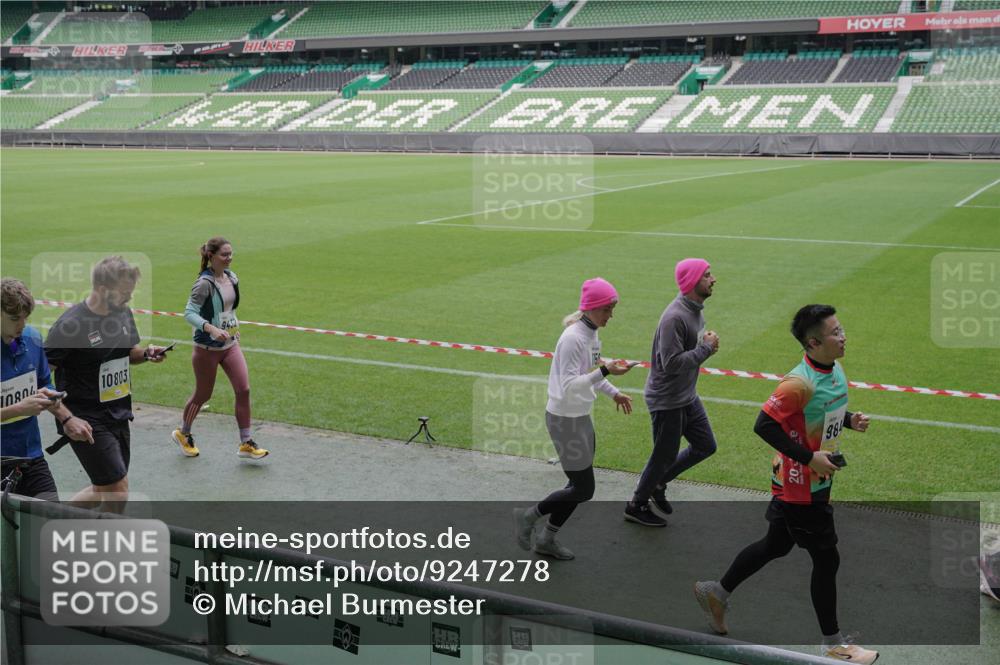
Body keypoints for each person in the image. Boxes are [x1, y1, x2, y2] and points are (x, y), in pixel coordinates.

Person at [694, 304, 879, 665]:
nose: (843, 336)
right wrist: (809, 458)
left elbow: (821, 413)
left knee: (776, 544)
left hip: (815, 477)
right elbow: (764, 424)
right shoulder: (798, 383)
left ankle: (715, 593)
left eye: (841, 329)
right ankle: (834, 645)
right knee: (827, 558)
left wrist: (848, 422)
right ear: (813, 342)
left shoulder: (834, 369)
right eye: (835, 332)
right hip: (800, 485)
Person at [514, 278, 634, 560]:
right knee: (583, 488)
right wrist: (606, 372)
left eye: (612, 309)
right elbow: (570, 385)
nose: (610, 315)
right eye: (607, 309)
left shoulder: (590, 334)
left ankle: (546, 540)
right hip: (563, 420)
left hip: (579, 417)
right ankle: (528, 517)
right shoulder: (573, 338)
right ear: (592, 308)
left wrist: (613, 392)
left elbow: (588, 373)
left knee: (577, 487)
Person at [44, 257, 169, 512]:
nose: (129, 298)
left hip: (118, 412)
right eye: (124, 293)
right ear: (102, 289)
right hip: (85, 418)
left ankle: (50, 520)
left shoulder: (123, 313)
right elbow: (42, 377)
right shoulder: (71, 326)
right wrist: (66, 419)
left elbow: (129, 352)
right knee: (118, 490)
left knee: (103, 488)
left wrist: (146, 354)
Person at [625, 258, 719, 527]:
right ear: (692, 282)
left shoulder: (695, 310)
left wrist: (703, 345)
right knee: (663, 456)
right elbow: (671, 363)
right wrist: (706, 349)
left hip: (686, 394)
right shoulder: (675, 317)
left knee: (705, 446)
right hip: (667, 400)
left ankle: (658, 483)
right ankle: (636, 504)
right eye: (707, 275)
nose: (713, 279)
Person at [171, 237, 266, 460]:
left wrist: (234, 327)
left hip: (230, 345)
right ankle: (183, 433)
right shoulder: (203, 284)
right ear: (211, 256)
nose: (229, 258)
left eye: (231, 253)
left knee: (244, 390)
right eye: (224, 254)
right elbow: (189, 313)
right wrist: (212, 330)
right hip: (207, 348)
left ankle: (246, 442)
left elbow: (229, 310)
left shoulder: (232, 278)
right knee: (202, 395)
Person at [1, 278, 93, 500]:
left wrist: (67, 418)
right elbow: (20, 407)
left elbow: (44, 385)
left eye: (25, 318)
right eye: (14, 319)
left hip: (30, 457)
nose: (21, 325)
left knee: (50, 518)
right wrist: (18, 409)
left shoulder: (31, 339)